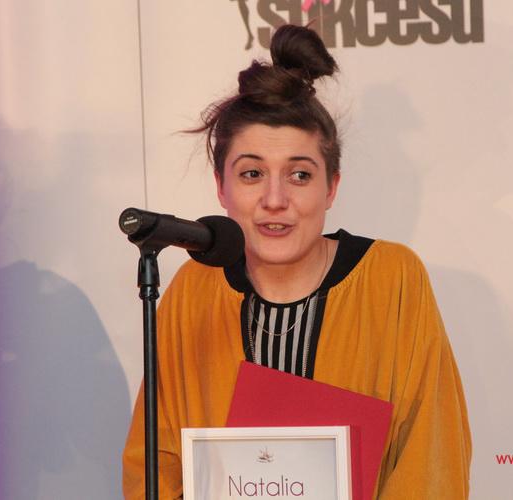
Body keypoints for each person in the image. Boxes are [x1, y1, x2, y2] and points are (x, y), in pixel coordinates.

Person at [123, 24, 471, 499]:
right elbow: (154, 461)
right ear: (221, 187)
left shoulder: (392, 279)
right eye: (251, 173)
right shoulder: (193, 288)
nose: (275, 199)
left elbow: (432, 455)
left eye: (299, 175)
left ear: (331, 187)